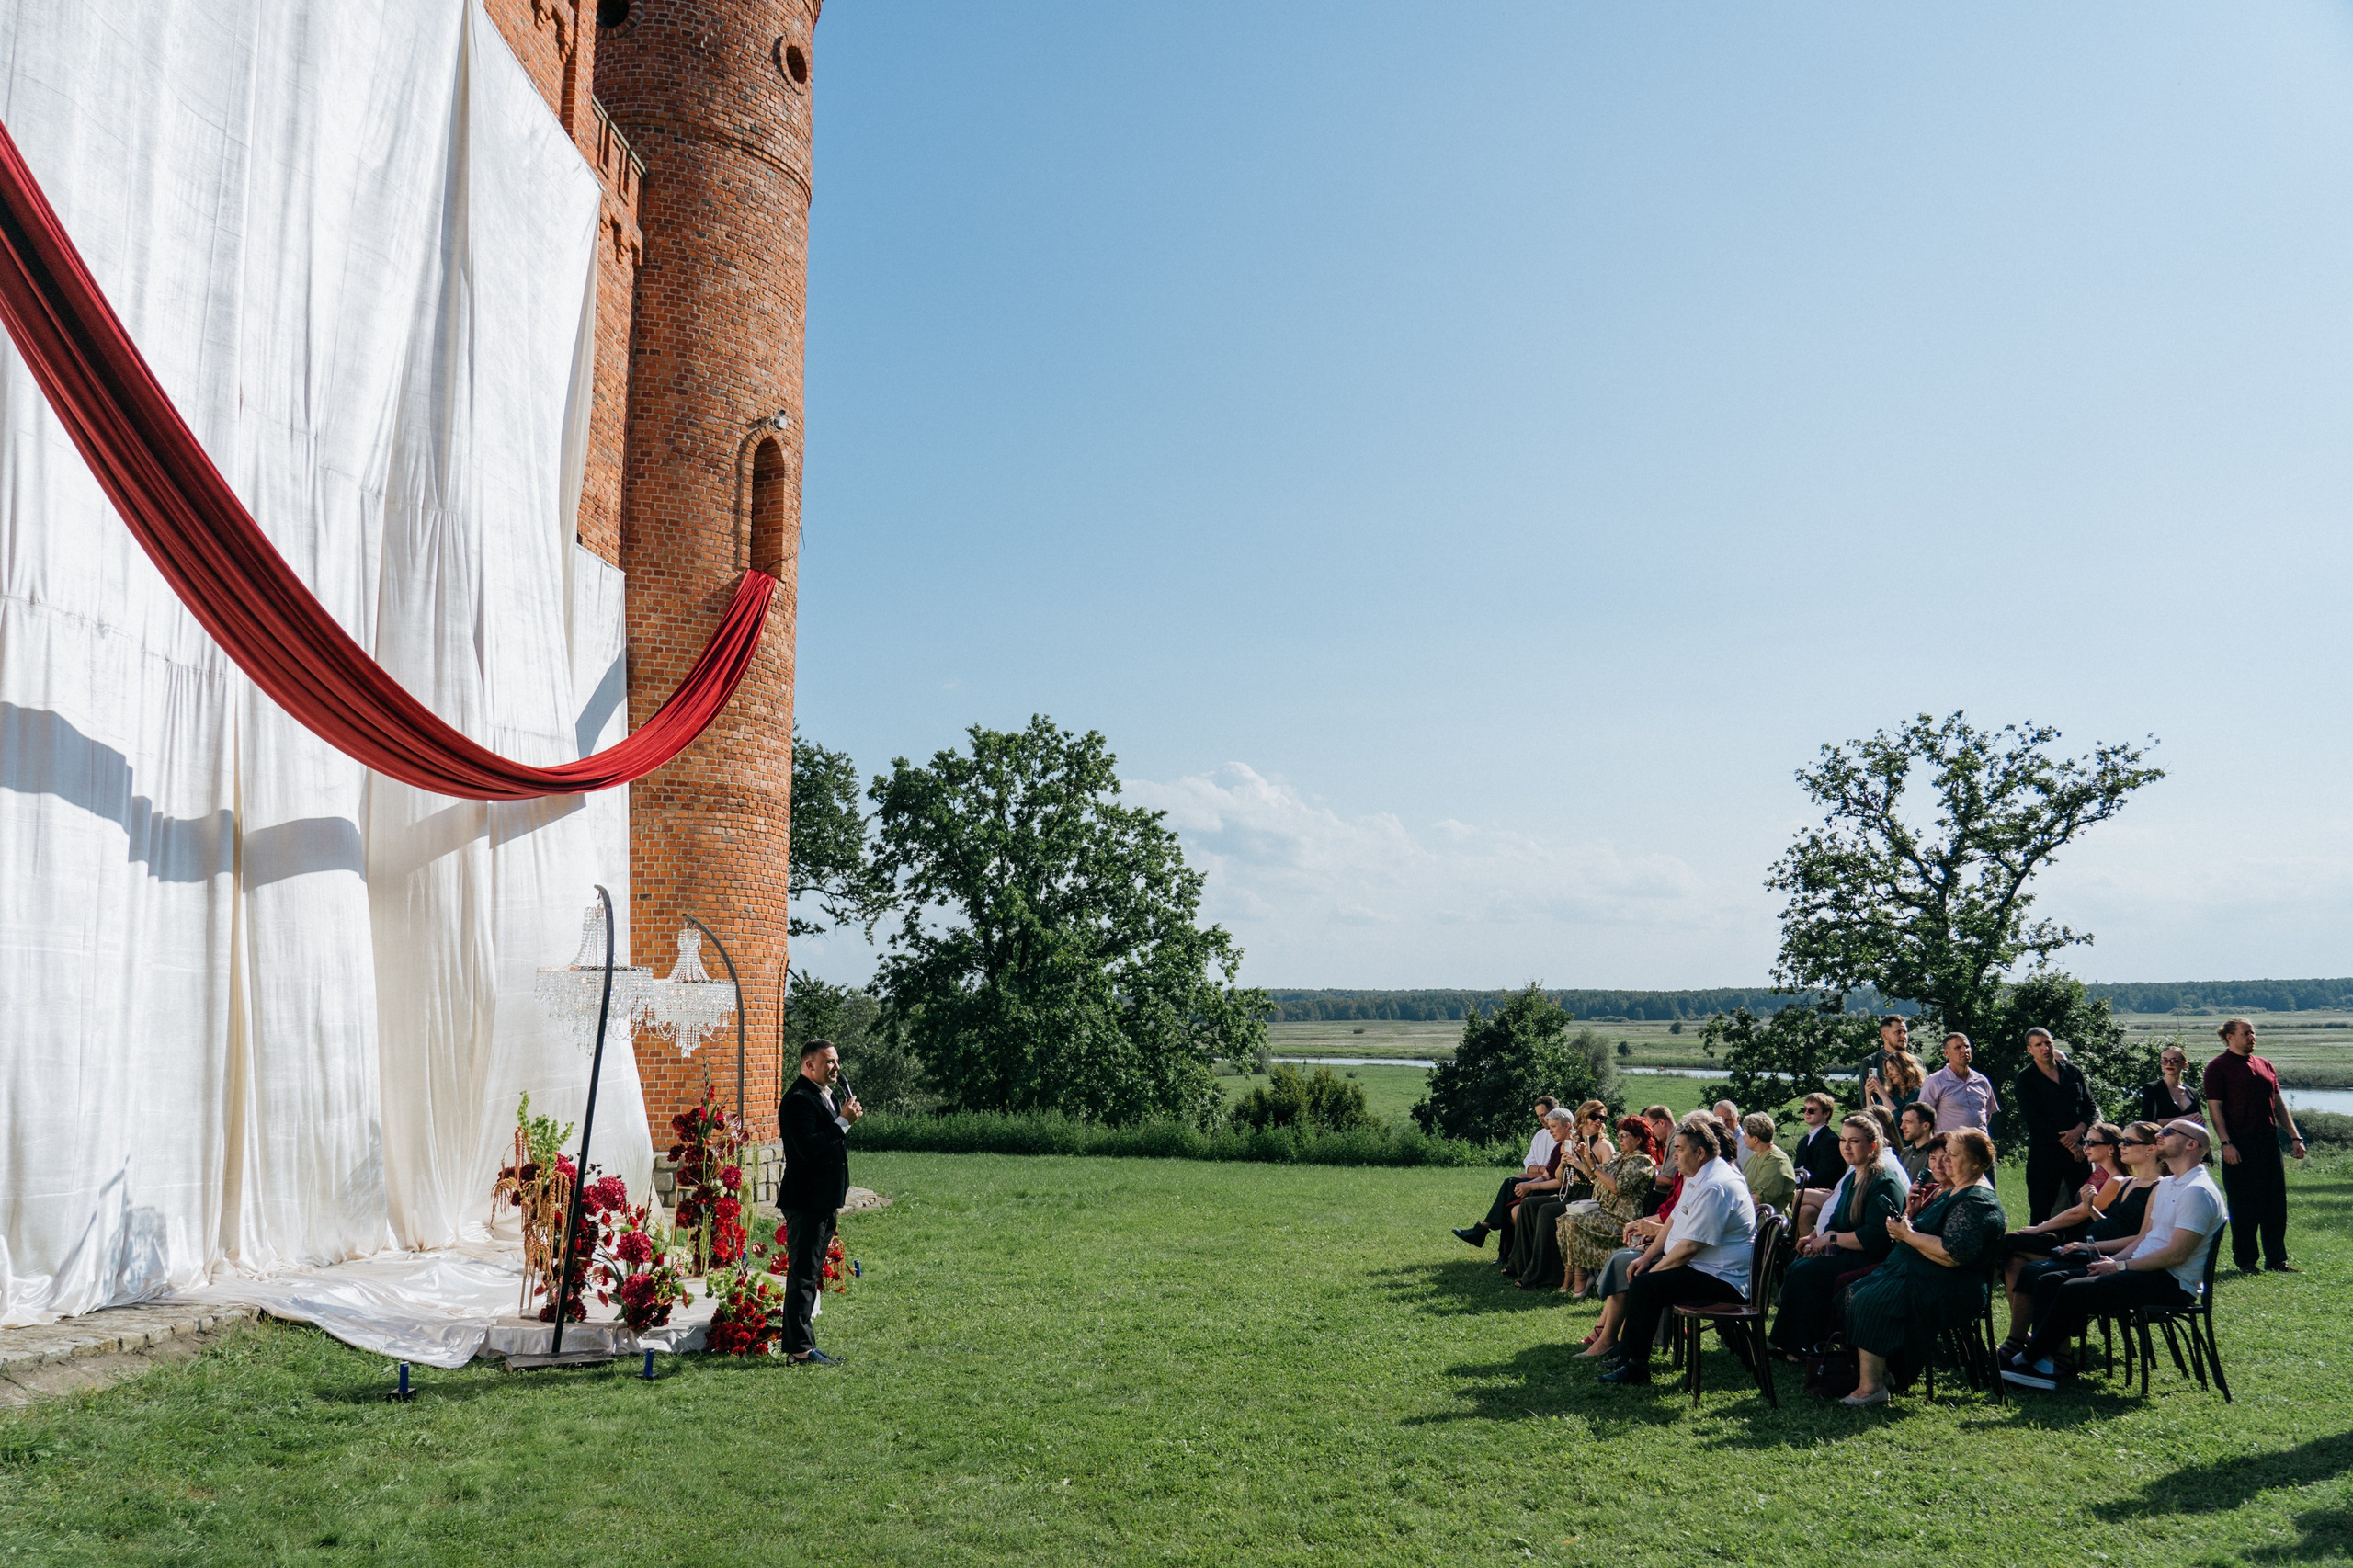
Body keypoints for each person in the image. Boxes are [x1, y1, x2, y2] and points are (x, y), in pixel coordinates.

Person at [2004, 1119, 2229, 1391]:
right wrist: (2111, 1260)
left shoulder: (2198, 1192)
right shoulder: (2170, 1185)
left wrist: (2121, 1267)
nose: (2161, 1135)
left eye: (2168, 1133)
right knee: (2049, 1278)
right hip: (2142, 1269)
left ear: (2192, 1145)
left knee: (2069, 1288)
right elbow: (2145, 1237)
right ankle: (2050, 1362)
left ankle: (2028, 1360)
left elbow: (2176, 1255)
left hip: (2170, 1281)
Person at [1839, 1128, 2006, 1406]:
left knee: (1868, 1299)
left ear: (1976, 1164)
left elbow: (1953, 1254)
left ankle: (1872, 1387)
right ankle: (1887, 1372)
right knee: (1854, 1290)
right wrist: (1910, 1219)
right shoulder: (1955, 1190)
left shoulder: (1977, 1200)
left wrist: (1908, 1235)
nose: (1946, 1161)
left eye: (1953, 1156)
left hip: (1952, 1286)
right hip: (1927, 1275)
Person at [1597, 1114, 1759, 1385]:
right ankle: (1629, 1356)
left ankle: (1635, 1367)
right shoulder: (1700, 1173)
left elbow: (1690, 1248)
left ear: (1700, 1152)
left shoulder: (1716, 1185)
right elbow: (1673, 1221)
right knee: (1644, 1279)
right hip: (1705, 1269)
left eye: (1680, 1149)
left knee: (1646, 1286)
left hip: (1723, 1280)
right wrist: (1648, 1257)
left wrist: (1653, 1270)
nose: (1674, 1156)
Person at [1998, 1120, 2163, 1359]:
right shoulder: (2106, 1176)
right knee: (2014, 1260)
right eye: (2085, 1141)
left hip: (2091, 1246)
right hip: (2084, 1242)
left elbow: (2082, 1215)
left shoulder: (2118, 1179)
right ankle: (2020, 1338)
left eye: (2092, 1142)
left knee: (2014, 1246)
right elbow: (2100, 1216)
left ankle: (2044, 1351)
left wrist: (2039, 1229)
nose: (2086, 1146)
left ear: (2109, 1149)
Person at [1768, 1114, 1905, 1359]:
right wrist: (1815, 1238)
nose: (1846, 1147)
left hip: (1870, 1258)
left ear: (1872, 1146)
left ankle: (1803, 1346)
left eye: (1854, 1141)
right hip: (1847, 1250)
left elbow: (1875, 1237)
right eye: (1843, 1140)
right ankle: (1796, 1343)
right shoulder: (1853, 1177)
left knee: (1808, 1272)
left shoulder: (1884, 1182)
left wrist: (1830, 1240)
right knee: (1798, 1262)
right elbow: (1836, 1218)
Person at [778, 1036, 863, 1365]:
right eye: (828, 1062)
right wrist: (843, 1122)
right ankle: (799, 1350)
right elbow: (809, 1148)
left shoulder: (821, 1096)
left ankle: (805, 1344)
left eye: (837, 1061)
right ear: (808, 1065)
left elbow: (829, 1143)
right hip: (806, 1200)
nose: (836, 1068)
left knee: (811, 1274)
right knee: (803, 1274)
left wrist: (842, 1122)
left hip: (823, 1200)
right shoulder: (799, 1099)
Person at [2203, 1018, 2307, 1273]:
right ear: (2229, 1037)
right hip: (2238, 1143)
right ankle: (2247, 1261)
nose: (2252, 1037)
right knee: (2244, 1204)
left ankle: (2277, 1260)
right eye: (2246, 1033)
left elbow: (2279, 1105)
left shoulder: (2265, 1066)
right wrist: (2226, 1143)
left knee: (2275, 1203)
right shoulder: (2218, 1067)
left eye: (2253, 1033)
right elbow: (2214, 1108)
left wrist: (2295, 1137)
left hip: (2268, 1142)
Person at [1562, 1116, 1661, 1297]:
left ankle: (1581, 1278)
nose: (1620, 1139)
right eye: (1619, 1135)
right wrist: (1586, 1159)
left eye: (1625, 1136)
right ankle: (1575, 1275)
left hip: (1622, 1218)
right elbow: (1595, 1177)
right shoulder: (1619, 1157)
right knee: (1565, 1219)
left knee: (1573, 1222)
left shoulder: (1642, 1161)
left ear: (1638, 1139)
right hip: (1606, 1211)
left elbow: (1617, 1187)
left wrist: (1593, 1166)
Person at [1451, 1096, 1562, 1251]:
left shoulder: (1562, 1136)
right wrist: (1541, 1170)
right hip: (1539, 1181)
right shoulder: (1539, 1136)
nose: (1541, 1119)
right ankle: (1498, 1248)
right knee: (1509, 1197)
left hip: (1550, 1187)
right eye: (1538, 1116)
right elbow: (1529, 1165)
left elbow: (1552, 1172)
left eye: (1544, 1114)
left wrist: (1539, 1171)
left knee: (1510, 1186)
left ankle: (1485, 1233)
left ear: (1556, 1111)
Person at [2013, 1027, 2097, 1224]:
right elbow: (2034, 1120)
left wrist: (2079, 1131)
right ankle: (2036, 1251)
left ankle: (2083, 1248)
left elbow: (2089, 1106)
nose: (2045, 1048)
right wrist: (2071, 1145)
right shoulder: (2026, 1080)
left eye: (2048, 1043)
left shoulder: (2073, 1072)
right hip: (2046, 1152)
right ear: (2030, 1050)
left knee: (2084, 1204)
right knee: (2042, 1208)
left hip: (2079, 1153)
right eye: (2039, 1045)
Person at [1502, 1109, 1580, 1288]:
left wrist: (1532, 1186)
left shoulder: (1577, 1145)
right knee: (1526, 1203)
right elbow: (1548, 1175)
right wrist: (1528, 1185)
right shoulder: (1558, 1147)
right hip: (1560, 1191)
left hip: (1574, 1194)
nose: (1550, 1131)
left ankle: (1540, 1272)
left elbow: (1564, 1183)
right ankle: (1519, 1264)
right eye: (1549, 1126)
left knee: (1542, 1209)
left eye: (1553, 1126)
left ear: (1567, 1125)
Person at [1917, 1032, 1999, 1135]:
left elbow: (1987, 1114)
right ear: (1946, 1053)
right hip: (1950, 1147)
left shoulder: (1981, 1081)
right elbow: (1923, 1117)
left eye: (1967, 1046)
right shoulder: (1935, 1081)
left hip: (1980, 1146)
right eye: (1958, 1047)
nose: (1964, 1050)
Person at [1789, 1093, 1842, 1233]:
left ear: (1826, 1113)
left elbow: (1827, 1177)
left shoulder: (1831, 1141)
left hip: (1823, 1194)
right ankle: (1801, 1250)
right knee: (1804, 1212)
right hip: (1804, 1191)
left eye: (1812, 1110)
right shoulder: (1803, 1141)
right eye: (1804, 1109)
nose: (1807, 1113)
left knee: (1796, 1201)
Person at [1863, 1015, 1927, 1118]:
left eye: (1905, 1032)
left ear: (1906, 1068)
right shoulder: (1869, 1062)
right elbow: (1872, 1117)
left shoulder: (1916, 1093)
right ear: (1884, 1035)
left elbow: (1901, 1120)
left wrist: (1883, 1095)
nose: (1903, 1036)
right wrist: (1868, 1095)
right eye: (1898, 1032)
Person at [1738, 1112, 1798, 1218]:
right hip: (1750, 1214)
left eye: (1746, 1134)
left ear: (1755, 1139)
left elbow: (1758, 1199)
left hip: (1768, 1220)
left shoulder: (1775, 1160)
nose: (1743, 1137)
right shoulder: (1756, 1155)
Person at [2138, 1044, 2203, 1125]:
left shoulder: (2193, 1093)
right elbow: (2146, 1122)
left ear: (2185, 1065)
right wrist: (2184, 1119)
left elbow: (2200, 1123)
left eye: (2174, 1061)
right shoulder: (2152, 1088)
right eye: (2165, 1060)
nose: (2169, 1064)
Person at [1894, 1103, 1937, 1186]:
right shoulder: (1905, 1153)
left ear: (1925, 1126)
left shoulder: (1936, 1155)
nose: (1902, 1126)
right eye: (1902, 1121)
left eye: (1908, 1122)